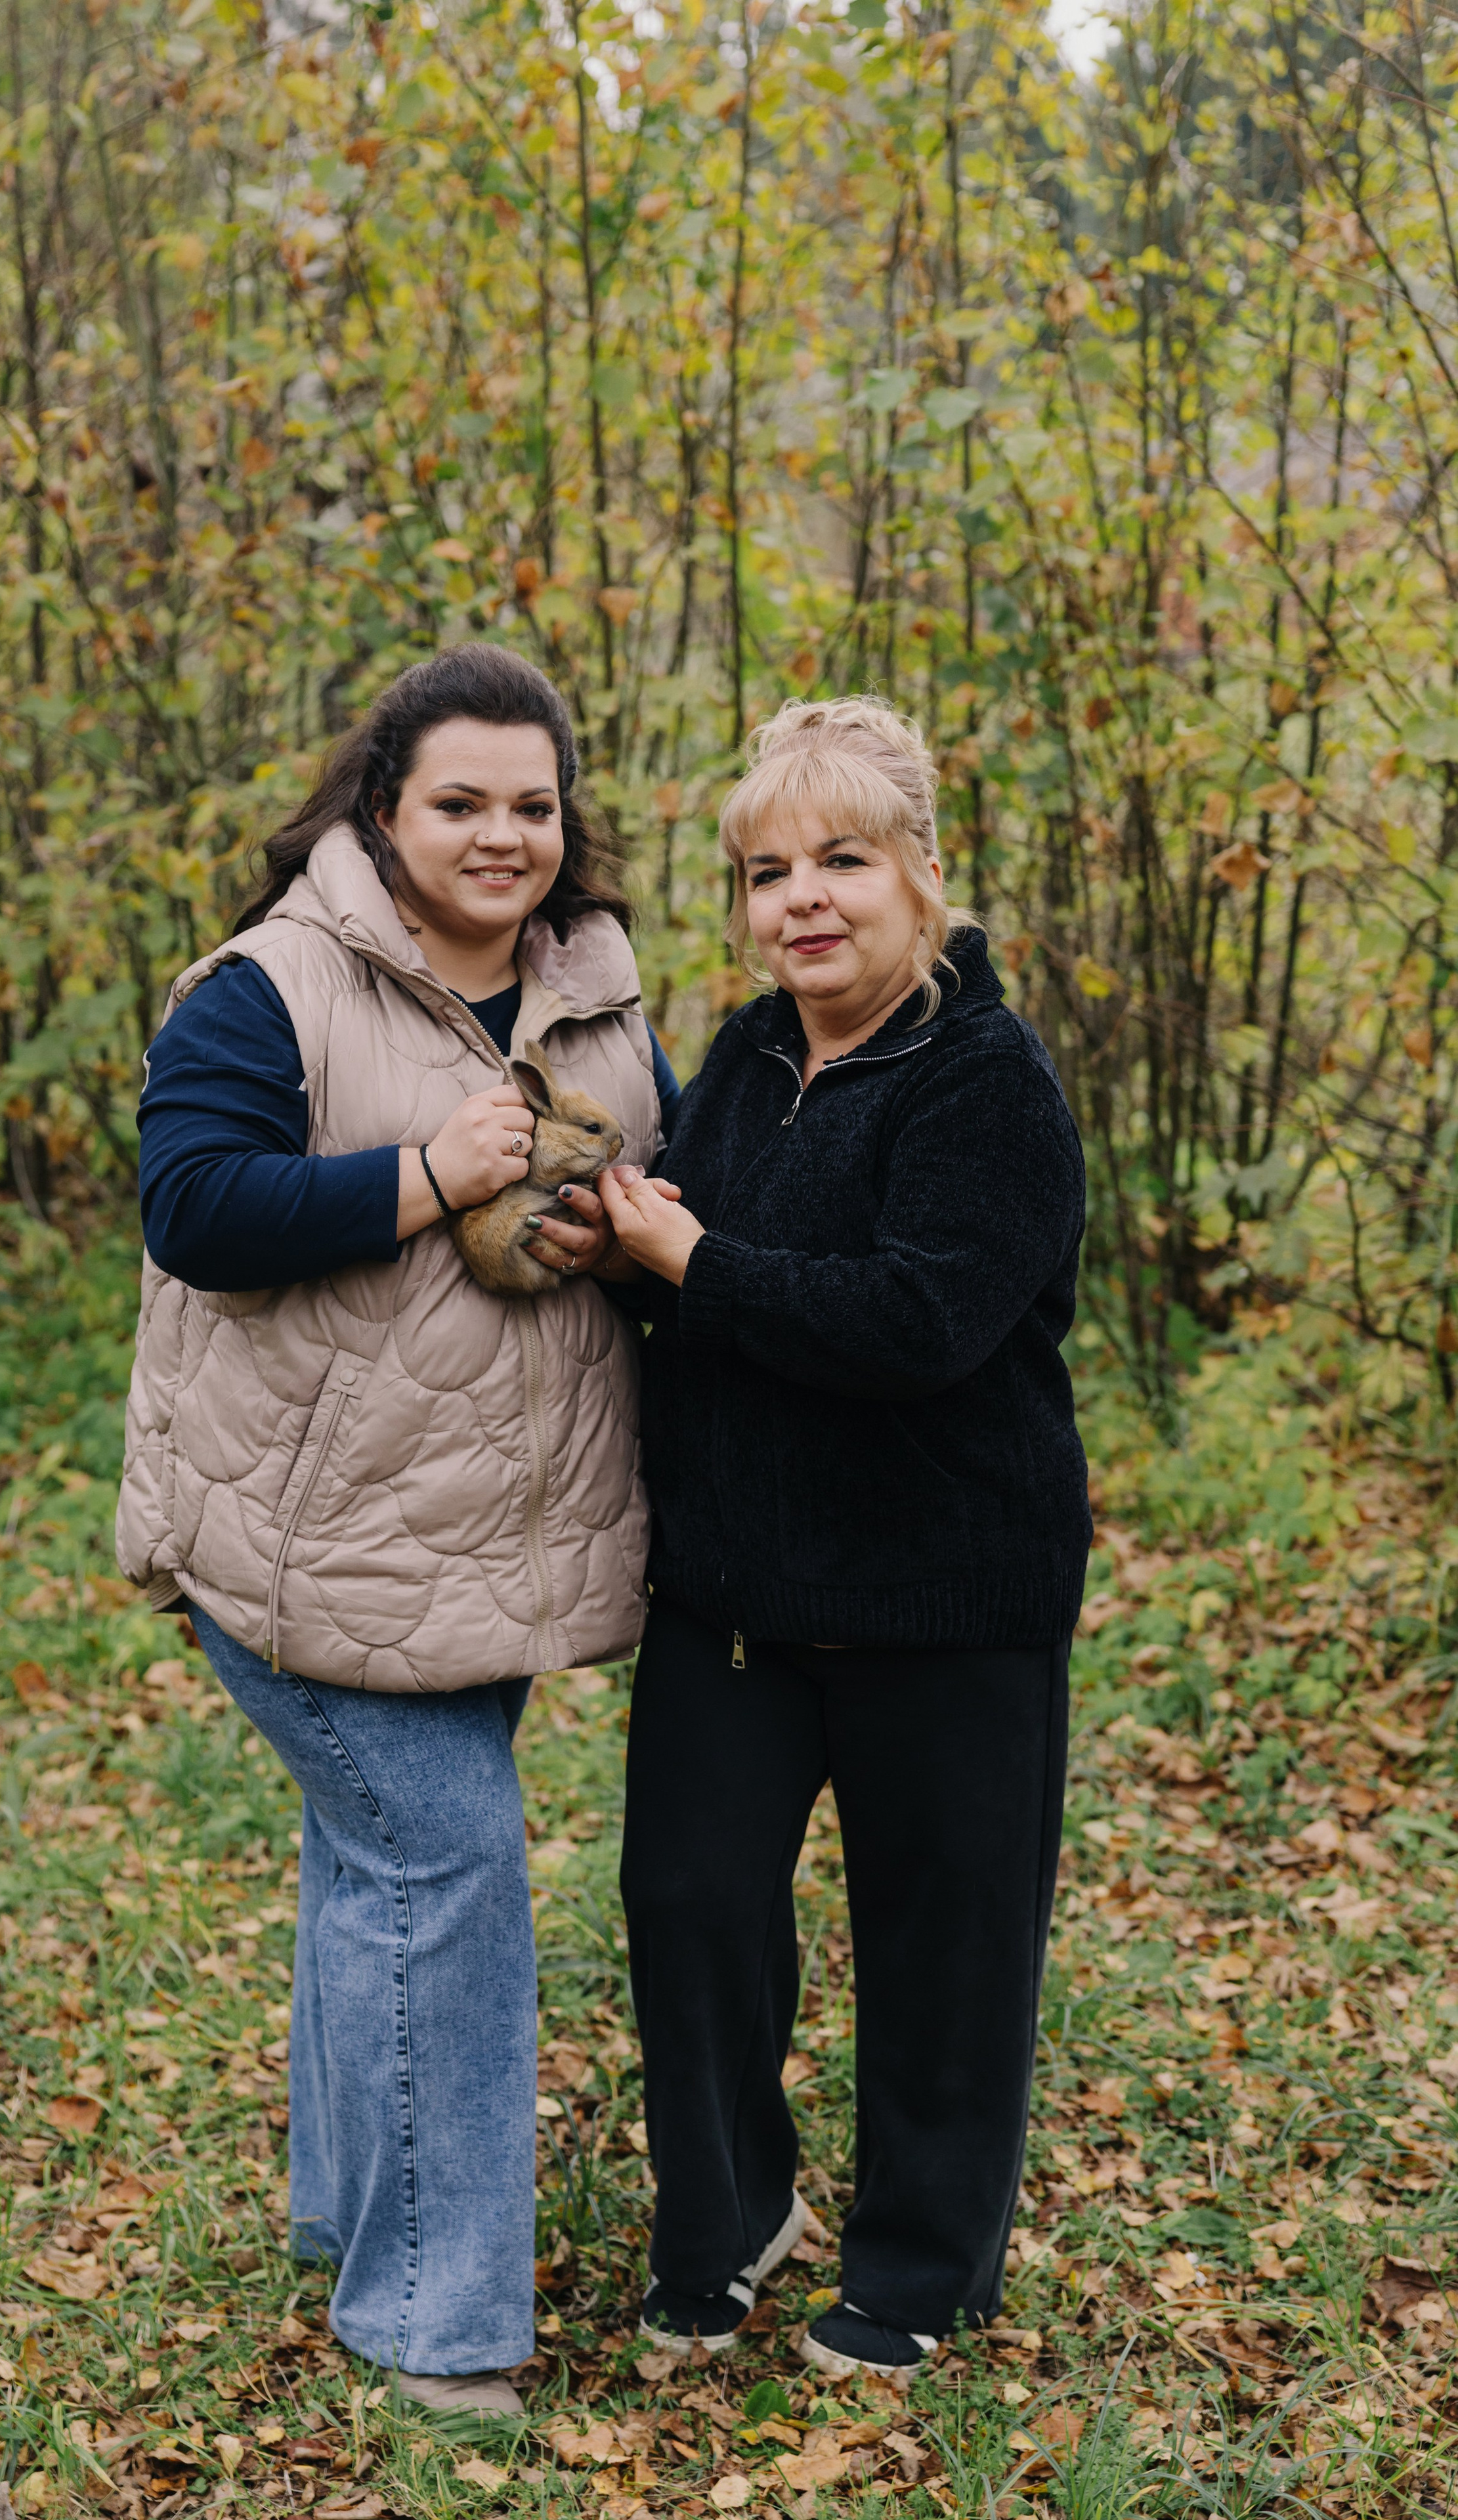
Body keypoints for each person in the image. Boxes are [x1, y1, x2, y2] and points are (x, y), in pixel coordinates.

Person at [115, 644, 677, 2414]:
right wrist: (425, 1176)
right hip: (298, 1543)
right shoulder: (270, 988)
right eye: (461, 801)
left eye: (534, 803)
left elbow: (655, 1196)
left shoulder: (592, 990)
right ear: (382, 805)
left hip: (480, 1550)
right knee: (448, 1864)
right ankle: (435, 2322)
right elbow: (195, 1205)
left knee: (383, 1866)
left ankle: (348, 2206)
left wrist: (615, 1235)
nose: (503, 834)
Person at [591, 696, 1092, 2382]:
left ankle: (917, 2267)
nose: (800, 898)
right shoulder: (738, 1056)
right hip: (733, 1592)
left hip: (946, 1599)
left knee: (943, 1946)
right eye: (763, 871)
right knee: (687, 1903)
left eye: (841, 859)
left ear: (923, 876)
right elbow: (670, 1237)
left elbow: (917, 1322)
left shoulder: (986, 1080)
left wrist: (689, 1265)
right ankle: (732, 2213)